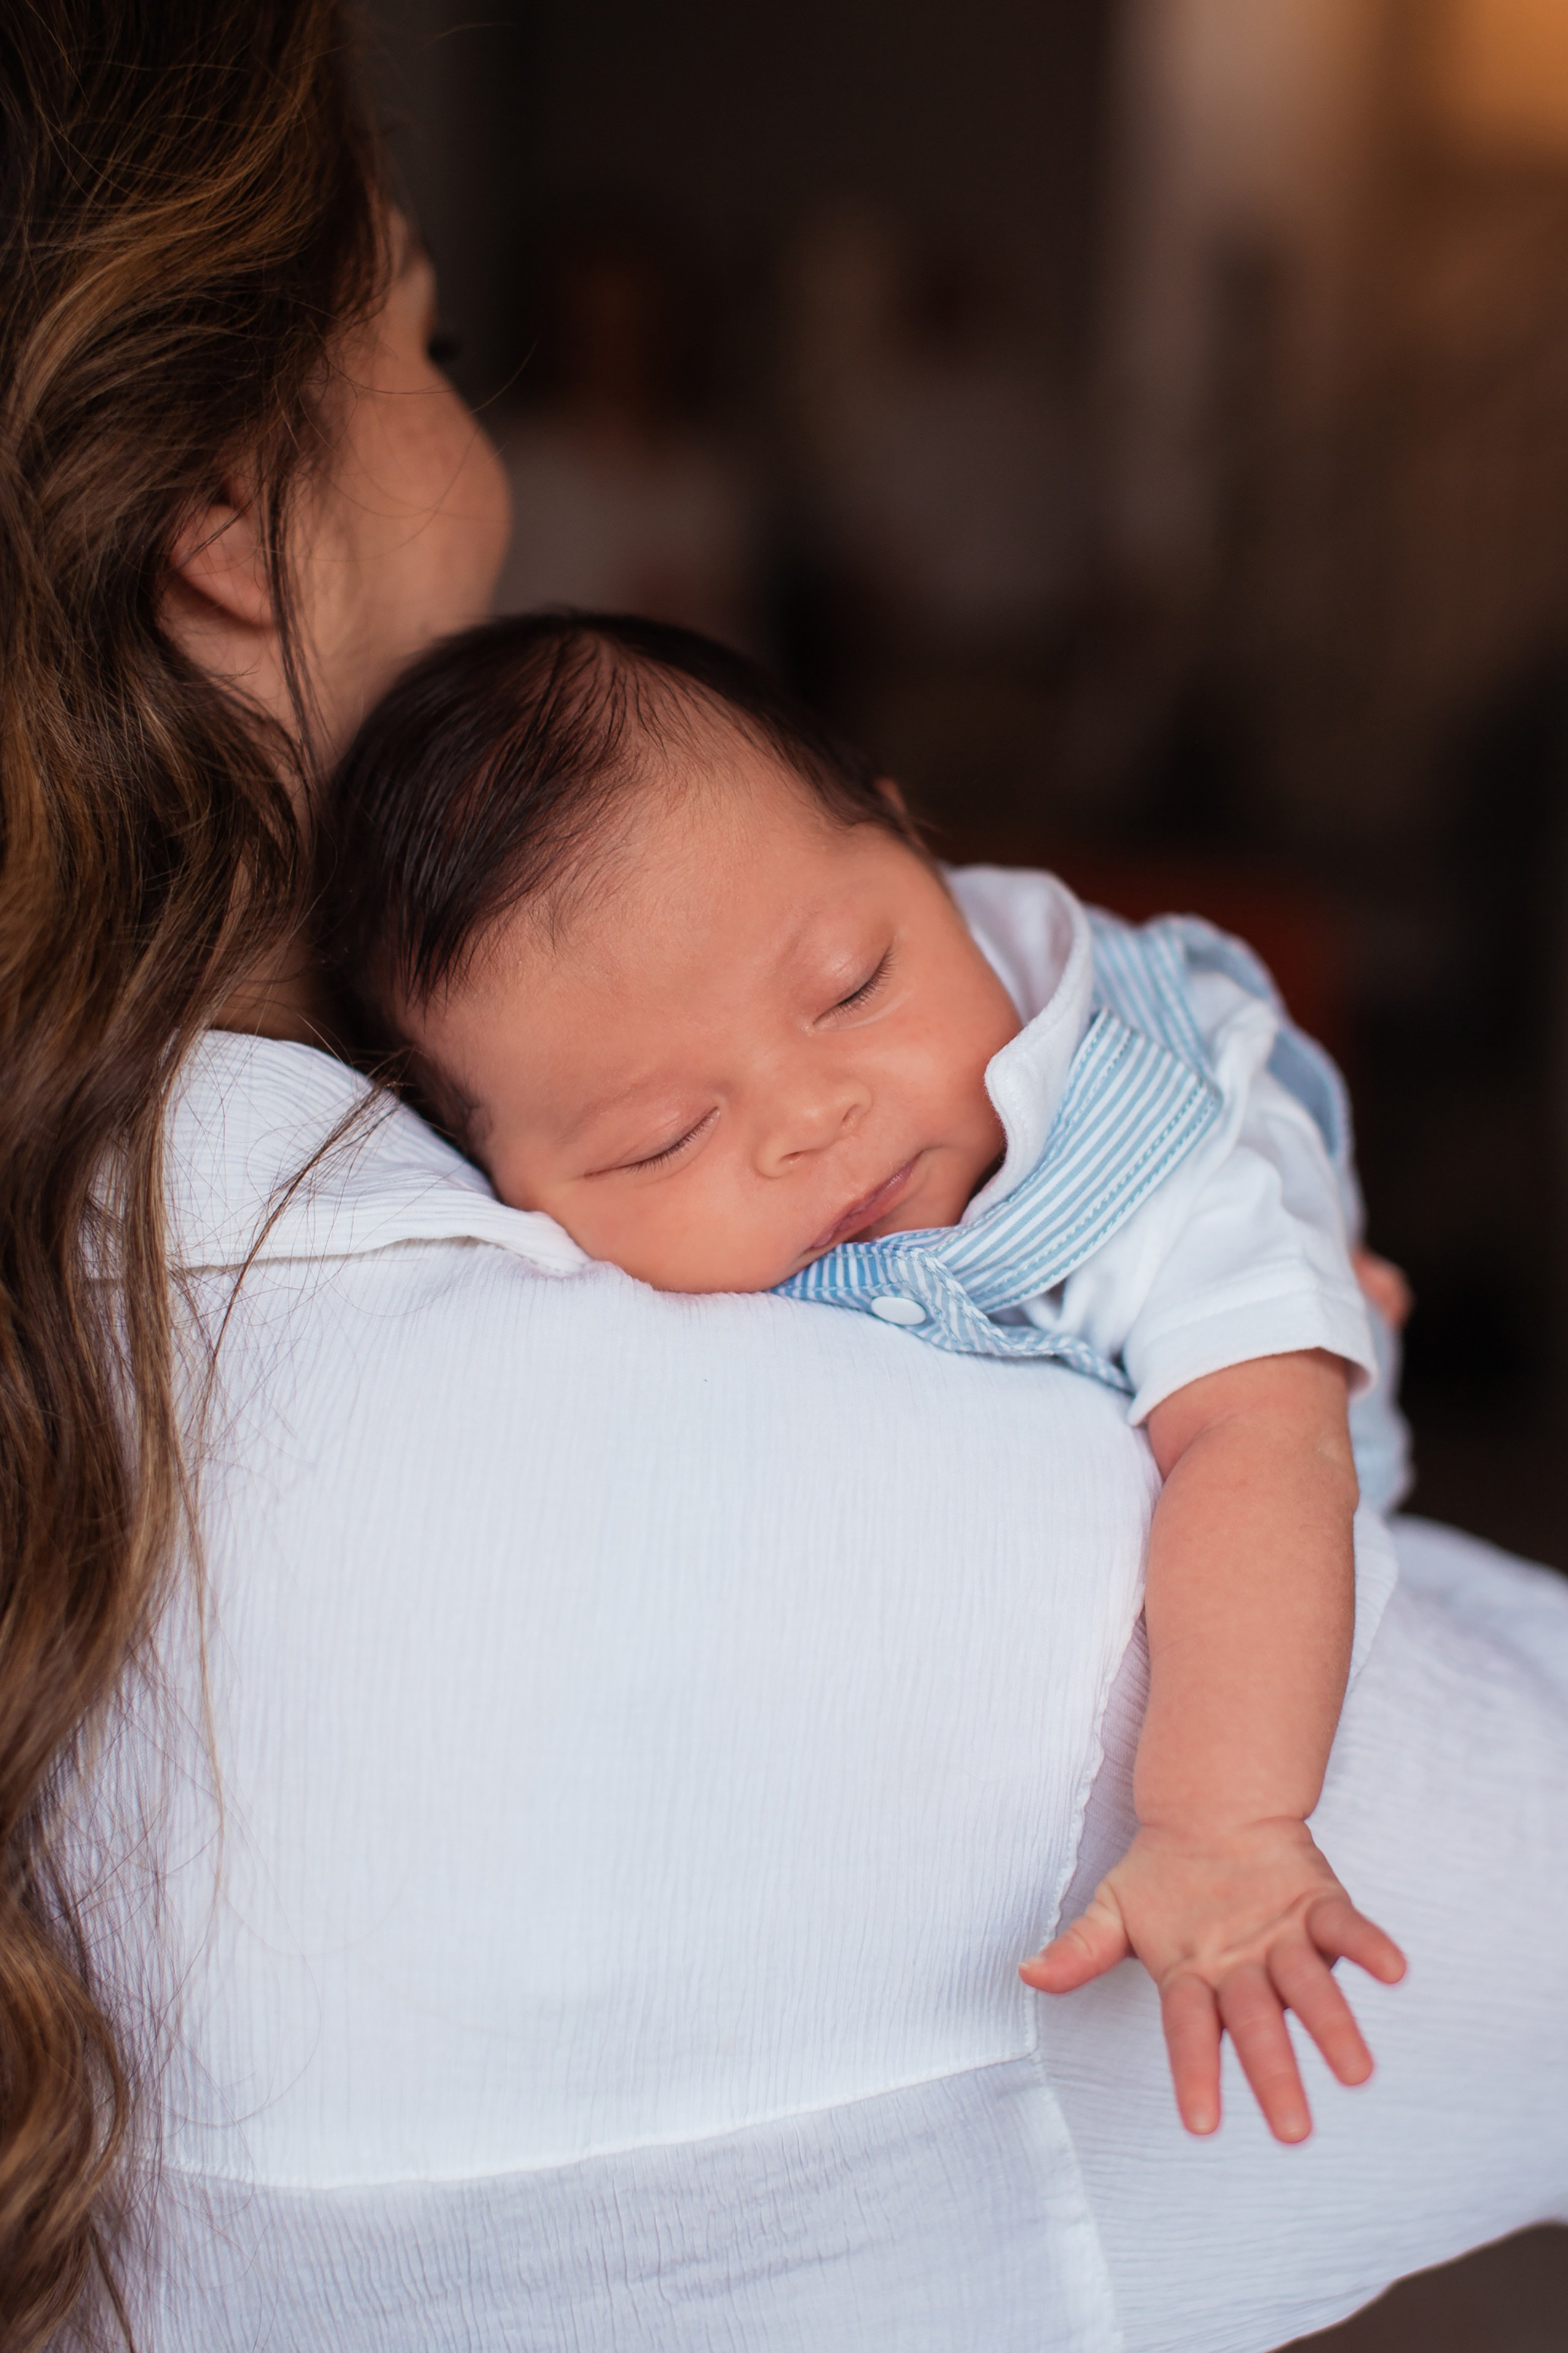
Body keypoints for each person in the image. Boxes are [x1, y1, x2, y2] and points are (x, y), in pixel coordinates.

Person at [3, 7, 1567, 2351]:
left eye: (848, 980)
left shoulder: (160, 1312)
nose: (816, 1116)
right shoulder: (924, 1556)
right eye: (422, 341)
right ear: (231, 517)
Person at [320, 609, 1408, 2146]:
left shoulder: (1137, 1125)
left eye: (848, 986)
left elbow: (1259, 1444)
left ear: (912, 841)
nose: (811, 1115)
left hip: (1285, 1523)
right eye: (660, 1136)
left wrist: (1226, 1823)